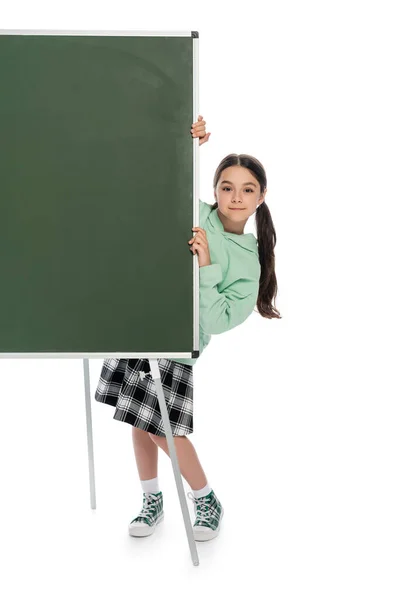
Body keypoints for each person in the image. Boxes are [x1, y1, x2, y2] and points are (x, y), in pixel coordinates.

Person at [94, 115, 281, 542]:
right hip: (139, 323)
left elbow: (215, 320)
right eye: (226, 187)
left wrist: (206, 265)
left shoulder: (248, 262)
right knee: (138, 423)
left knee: (164, 429)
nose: (235, 197)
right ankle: (151, 499)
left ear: (261, 197)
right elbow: (161, 180)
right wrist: (188, 147)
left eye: (247, 189)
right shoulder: (197, 213)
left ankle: (205, 497)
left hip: (175, 344)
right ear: (214, 189)